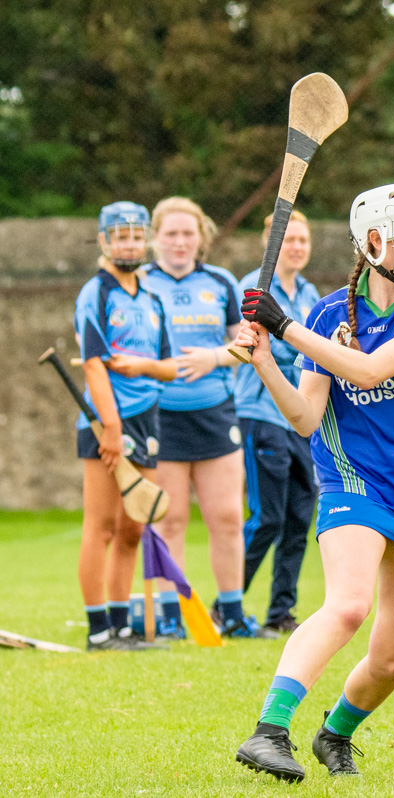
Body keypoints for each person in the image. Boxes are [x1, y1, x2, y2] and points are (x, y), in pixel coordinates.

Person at [232, 184, 394, 781]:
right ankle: (269, 731)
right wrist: (264, 361)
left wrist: (280, 327)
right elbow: (308, 417)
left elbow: (367, 368)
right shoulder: (328, 314)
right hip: (351, 482)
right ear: (374, 241)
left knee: (393, 661)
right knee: (349, 603)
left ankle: (334, 733)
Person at [143, 196, 266, 638]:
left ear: (201, 238)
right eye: (171, 233)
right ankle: (173, 615)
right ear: (155, 238)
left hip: (214, 412)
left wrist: (213, 357)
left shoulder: (220, 282)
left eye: (187, 233)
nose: (179, 242)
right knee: (169, 520)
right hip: (161, 416)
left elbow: (246, 345)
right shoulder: (139, 283)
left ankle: (231, 613)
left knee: (227, 516)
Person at [73, 201, 177, 650]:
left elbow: (170, 368)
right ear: (103, 241)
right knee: (101, 526)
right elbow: (94, 366)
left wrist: (144, 368)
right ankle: (98, 630)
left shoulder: (153, 297)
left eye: (137, 236)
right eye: (121, 236)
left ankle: (121, 625)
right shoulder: (95, 293)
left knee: (135, 525)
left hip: (147, 418)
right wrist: (110, 428)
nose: (130, 243)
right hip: (105, 422)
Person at [235, 212, 322, 634]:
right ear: (270, 242)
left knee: (299, 518)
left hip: (302, 418)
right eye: (289, 240)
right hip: (261, 413)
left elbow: (317, 351)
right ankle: (228, 604)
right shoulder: (253, 287)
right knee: (267, 517)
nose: (297, 247)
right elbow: (254, 345)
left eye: (303, 240)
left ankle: (279, 613)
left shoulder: (310, 293)